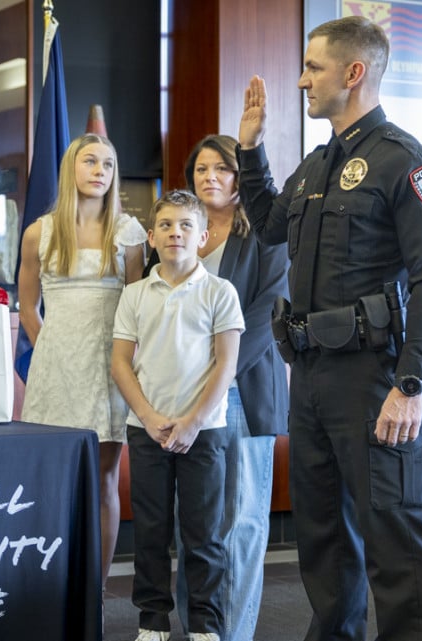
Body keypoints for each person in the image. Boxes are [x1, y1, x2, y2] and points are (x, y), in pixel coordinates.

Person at [236, 16, 422, 641]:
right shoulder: (315, 164)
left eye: (313, 68)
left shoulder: (407, 163)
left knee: (394, 537)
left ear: (353, 73)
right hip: (307, 376)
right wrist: (250, 151)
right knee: (324, 539)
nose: (302, 79)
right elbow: (271, 224)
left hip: (373, 377)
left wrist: (411, 384)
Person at [143, 135, 288, 641]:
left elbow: (269, 317)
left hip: (244, 394)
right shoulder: (179, 236)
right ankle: (198, 628)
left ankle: (235, 633)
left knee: (242, 522)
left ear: (240, 176)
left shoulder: (268, 235)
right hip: (185, 399)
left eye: (221, 169)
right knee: (197, 523)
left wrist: (214, 380)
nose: (209, 178)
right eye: (200, 169)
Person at [17, 133, 146, 608]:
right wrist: (47, 344)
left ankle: (95, 586)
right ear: (71, 168)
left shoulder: (129, 232)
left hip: (107, 366)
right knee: (53, 479)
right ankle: (51, 584)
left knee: (104, 477)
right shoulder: (41, 232)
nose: (99, 171)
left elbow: (137, 305)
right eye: (90, 161)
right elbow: (28, 303)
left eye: (108, 164)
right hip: (56, 369)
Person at [111, 189, 244, 641]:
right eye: (165, 225)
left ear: (203, 236)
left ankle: (206, 624)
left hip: (204, 433)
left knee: (204, 535)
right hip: (146, 430)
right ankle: (152, 621)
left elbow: (226, 365)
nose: (175, 233)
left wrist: (191, 422)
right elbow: (119, 364)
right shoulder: (134, 295)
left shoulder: (220, 292)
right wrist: (148, 417)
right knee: (150, 533)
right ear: (150, 237)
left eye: (186, 225)